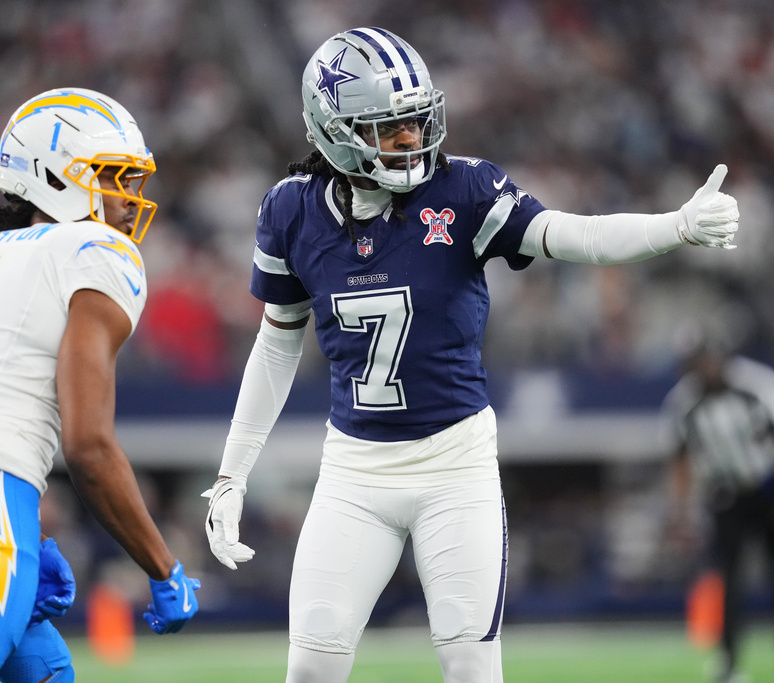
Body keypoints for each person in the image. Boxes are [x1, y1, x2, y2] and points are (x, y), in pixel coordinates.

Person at [202, 27, 740, 683]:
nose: (410, 138)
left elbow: (570, 235)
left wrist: (674, 226)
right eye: (387, 127)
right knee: (310, 670)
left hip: (454, 467)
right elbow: (277, 339)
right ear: (334, 131)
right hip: (354, 471)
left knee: (470, 669)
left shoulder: (462, 191)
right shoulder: (290, 210)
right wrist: (232, 473)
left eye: (414, 120)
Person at [0, 87, 200, 683]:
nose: (129, 199)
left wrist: (26, 528)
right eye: (113, 178)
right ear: (56, 178)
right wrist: (162, 567)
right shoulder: (94, 249)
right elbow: (88, 446)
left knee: (47, 672)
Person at [663, 339, 774, 683]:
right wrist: (681, 512)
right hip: (727, 495)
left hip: (770, 488)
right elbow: (681, 461)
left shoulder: (757, 385)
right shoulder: (684, 401)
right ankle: (729, 662)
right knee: (729, 581)